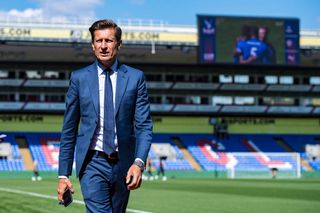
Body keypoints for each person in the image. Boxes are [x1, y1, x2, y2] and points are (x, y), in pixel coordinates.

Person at [57, 19, 153, 212]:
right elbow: (69, 128)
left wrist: (138, 163)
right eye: (98, 41)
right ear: (92, 45)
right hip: (92, 163)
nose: (103, 46)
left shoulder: (135, 78)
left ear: (119, 44)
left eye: (108, 41)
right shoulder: (79, 78)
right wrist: (63, 175)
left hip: (124, 164)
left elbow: (143, 125)